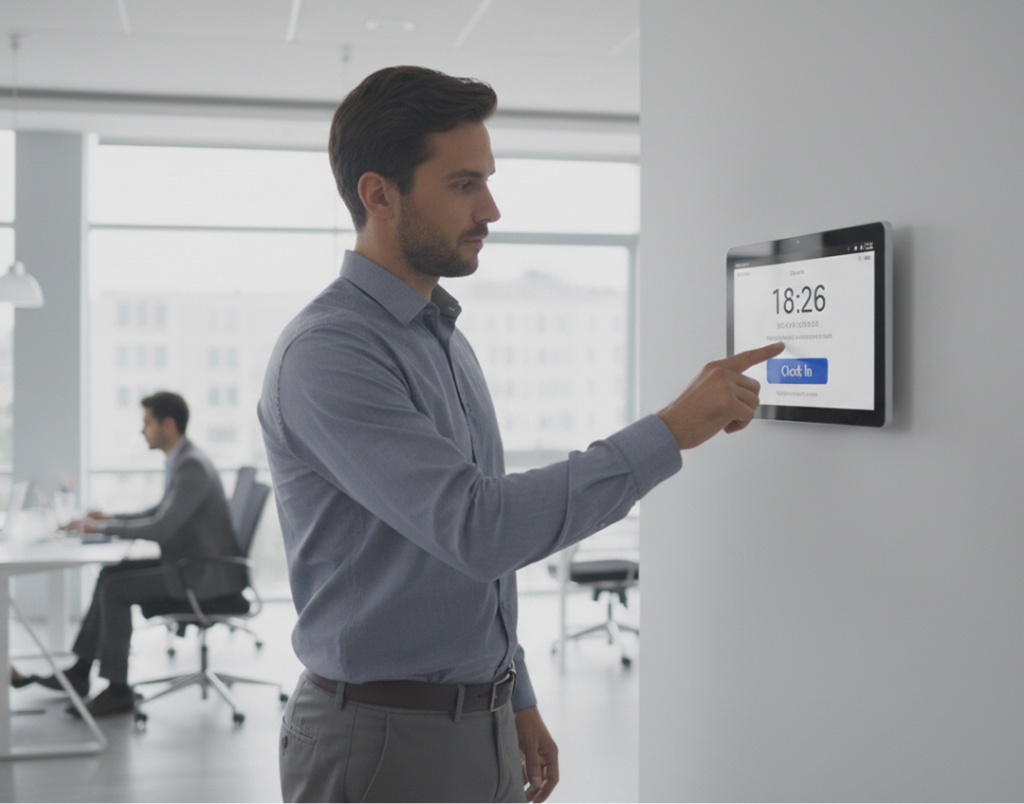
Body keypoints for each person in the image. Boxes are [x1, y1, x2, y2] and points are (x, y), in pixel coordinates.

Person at [258, 65, 783, 804]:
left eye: (488, 181)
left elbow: (466, 566)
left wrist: (514, 693)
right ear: (379, 193)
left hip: (481, 719)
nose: (492, 209)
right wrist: (666, 432)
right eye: (463, 184)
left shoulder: (441, 335)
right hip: (379, 743)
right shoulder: (328, 353)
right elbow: (479, 527)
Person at [25, 391, 245, 717]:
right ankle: (80, 672)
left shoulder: (191, 466)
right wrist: (109, 519)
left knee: (116, 589)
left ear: (167, 425)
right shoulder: (183, 460)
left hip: (202, 576)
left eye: (147, 423)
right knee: (109, 574)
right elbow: (159, 512)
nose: (143, 431)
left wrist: (99, 529)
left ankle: (118, 691)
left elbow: (161, 529)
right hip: (191, 564)